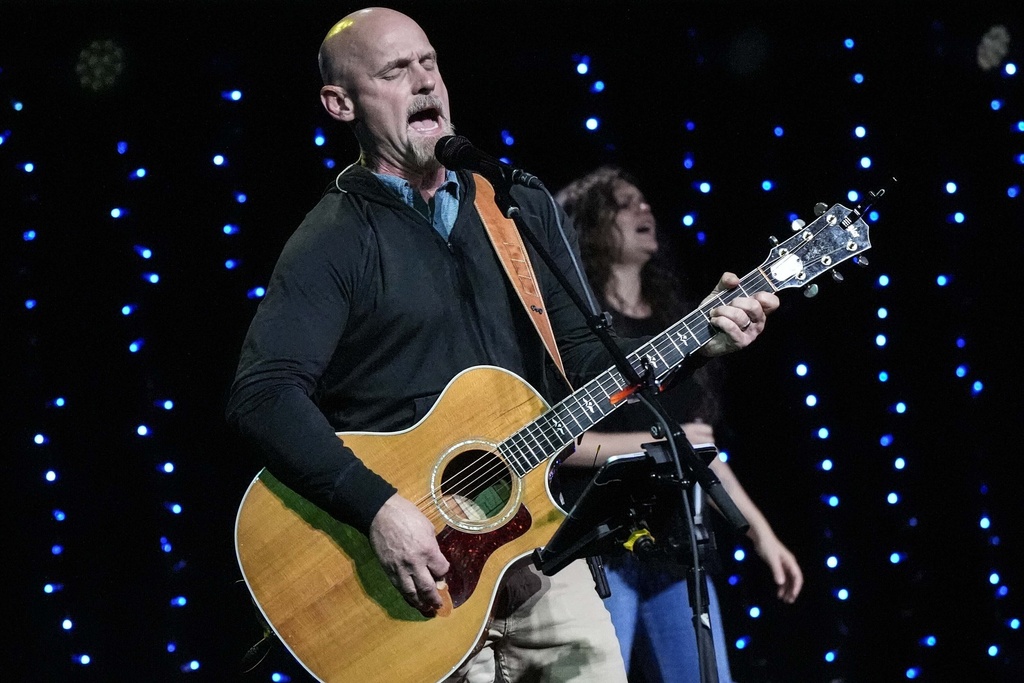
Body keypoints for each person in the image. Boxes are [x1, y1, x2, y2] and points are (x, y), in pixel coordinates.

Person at [225, 8, 780, 683]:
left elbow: (582, 361)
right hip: (414, 582)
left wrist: (700, 341)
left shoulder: (516, 201)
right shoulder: (334, 238)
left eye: (429, 63)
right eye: (396, 71)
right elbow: (262, 395)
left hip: (538, 546)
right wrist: (378, 507)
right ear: (341, 104)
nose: (425, 82)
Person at [555, 166, 803, 682]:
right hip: (599, 550)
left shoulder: (678, 329)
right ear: (592, 224)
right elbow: (558, 443)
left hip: (676, 549)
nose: (644, 210)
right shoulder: (575, 331)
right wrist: (657, 440)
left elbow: (699, 444)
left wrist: (763, 536)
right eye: (624, 203)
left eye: (645, 201)